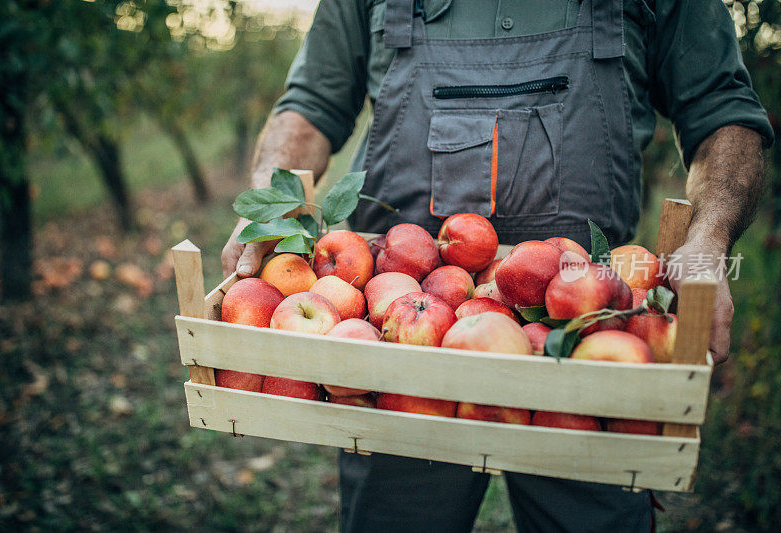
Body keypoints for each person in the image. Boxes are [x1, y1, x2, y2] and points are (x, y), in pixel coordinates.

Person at [221, 1, 774, 531]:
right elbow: (312, 104)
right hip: (397, 352)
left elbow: (722, 109)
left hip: (589, 338)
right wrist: (271, 206)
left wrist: (708, 239)